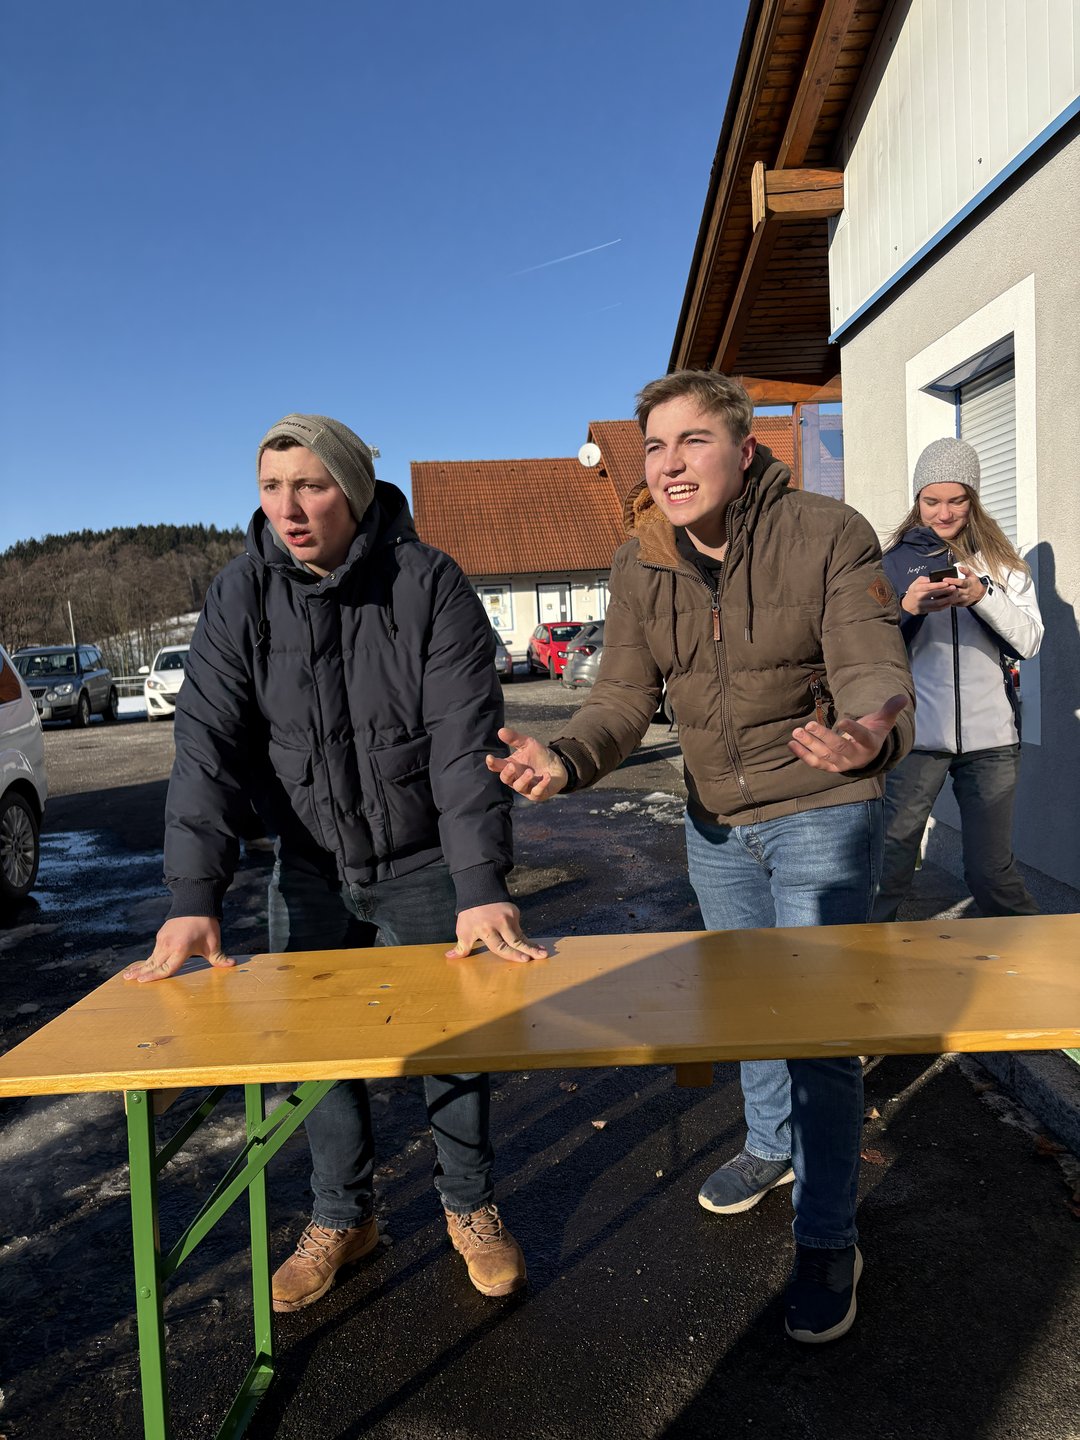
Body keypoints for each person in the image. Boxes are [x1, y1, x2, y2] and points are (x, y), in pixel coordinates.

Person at [486, 371, 914, 1343]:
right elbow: (620, 700)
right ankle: (769, 1144)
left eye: (693, 442)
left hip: (821, 806)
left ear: (746, 450)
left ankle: (827, 1233)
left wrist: (867, 730)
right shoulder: (640, 563)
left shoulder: (826, 533)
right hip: (716, 819)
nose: (670, 465)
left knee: (817, 1029)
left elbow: (870, 664)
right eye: (655, 447)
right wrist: (566, 758)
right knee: (749, 1007)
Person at [123, 413, 546, 1311]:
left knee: (452, 1042)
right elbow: (206, 748)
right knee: (315, 1052)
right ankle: (342, 1218)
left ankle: (470, 1206)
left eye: (310, 486)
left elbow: (462, 742)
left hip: (426, 859)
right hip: (310, 866)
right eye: (272, 487)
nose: (289, 507)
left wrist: (479, 885)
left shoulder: (428, 582)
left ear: (351, 492)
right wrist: (194, 896)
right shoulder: (240, 594)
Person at [872, 437, 1043, 922]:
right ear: (917, 499)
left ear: (974, 499)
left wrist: (982, 597)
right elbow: (867, 647)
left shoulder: (1004, 566)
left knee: (992, 874)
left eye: (956, 500)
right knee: (889, 869)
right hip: (916, 740)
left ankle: (1043, 960)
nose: (944, 513)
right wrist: (906, 609)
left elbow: (1029, 642)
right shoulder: (889, 564)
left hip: (992, 743)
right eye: (932, 500)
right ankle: (857, 960)